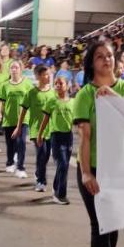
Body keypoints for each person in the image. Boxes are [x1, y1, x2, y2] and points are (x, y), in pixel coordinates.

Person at [73, 41, 124, 247]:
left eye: (109, 55)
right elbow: (85, 136)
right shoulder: (85, 95)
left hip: (120, 168)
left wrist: (113, 96)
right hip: (95, 168)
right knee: (99, 223)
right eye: (100, 56)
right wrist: (86, 173)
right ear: (92, 63)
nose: (106, 59)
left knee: (113, 222)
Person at [37, 74, 74, 204]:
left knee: (64, 165)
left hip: (68, 136)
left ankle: (55, 186)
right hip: (56, 136)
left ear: (67, 86)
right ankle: (60, 195)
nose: (58, 86)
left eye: (61, 83)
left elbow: (76, 120)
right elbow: (45, 119)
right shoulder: (52, 101)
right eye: (56, 84)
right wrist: (40, 135)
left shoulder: (73, 102)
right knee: (62, 164)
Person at [20, 65, 57, 192]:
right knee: (42, 153)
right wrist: (19, 126)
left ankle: (38, 171)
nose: (48, 77)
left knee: (46, 155)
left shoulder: (53, 92)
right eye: (45, 75)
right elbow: (24, 109)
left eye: (49, 74)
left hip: (51, 129)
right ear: (38, 76)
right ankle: (41, 181)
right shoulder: (31, 93)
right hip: (36, 129)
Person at [0, 59, 33, 179]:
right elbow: (1, 101)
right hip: (9, 118)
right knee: (10, 143)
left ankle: (20, 168)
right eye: (12, 67)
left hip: (23, 118)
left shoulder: (27, 83)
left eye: (16, 67)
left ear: (21, 69)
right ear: (9, 70)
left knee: (21, 142)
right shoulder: (4, 85)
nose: (14, 69)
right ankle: (10, 162)